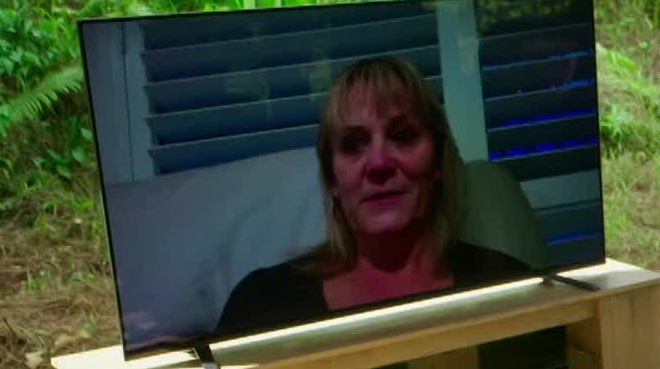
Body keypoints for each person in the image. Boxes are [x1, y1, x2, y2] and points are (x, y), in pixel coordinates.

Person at [214, 56, 530, 337]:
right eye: (353, 144)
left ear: (438, 161)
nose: (379, 163)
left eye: (403, 136)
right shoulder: (261, 305)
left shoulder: (512, 290)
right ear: (332, 179)